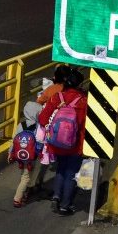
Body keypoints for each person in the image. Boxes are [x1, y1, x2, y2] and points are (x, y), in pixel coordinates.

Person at [38, 67, 89, 216]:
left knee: (60, 169)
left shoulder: (57, 97)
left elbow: (42, 119)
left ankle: (56, 196)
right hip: (75, 144)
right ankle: (65, 205)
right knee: (71, 173)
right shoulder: (83, 101)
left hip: (56, 143)